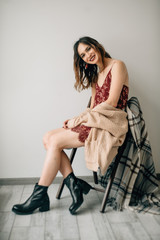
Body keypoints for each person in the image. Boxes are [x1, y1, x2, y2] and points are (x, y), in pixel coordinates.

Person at [12, 36, 129, 215]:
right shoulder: (95, 75)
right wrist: (78, 118)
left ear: (96, 46)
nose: (87, 55)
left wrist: (82, 120)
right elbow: (92, 107)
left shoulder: (117, 65)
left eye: (88, 49)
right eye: (83, 55)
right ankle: (73, 183)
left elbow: (112, 102)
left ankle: (40, 195)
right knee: (47, 137)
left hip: (110, 123)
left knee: (55, 142)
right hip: (96, 119)